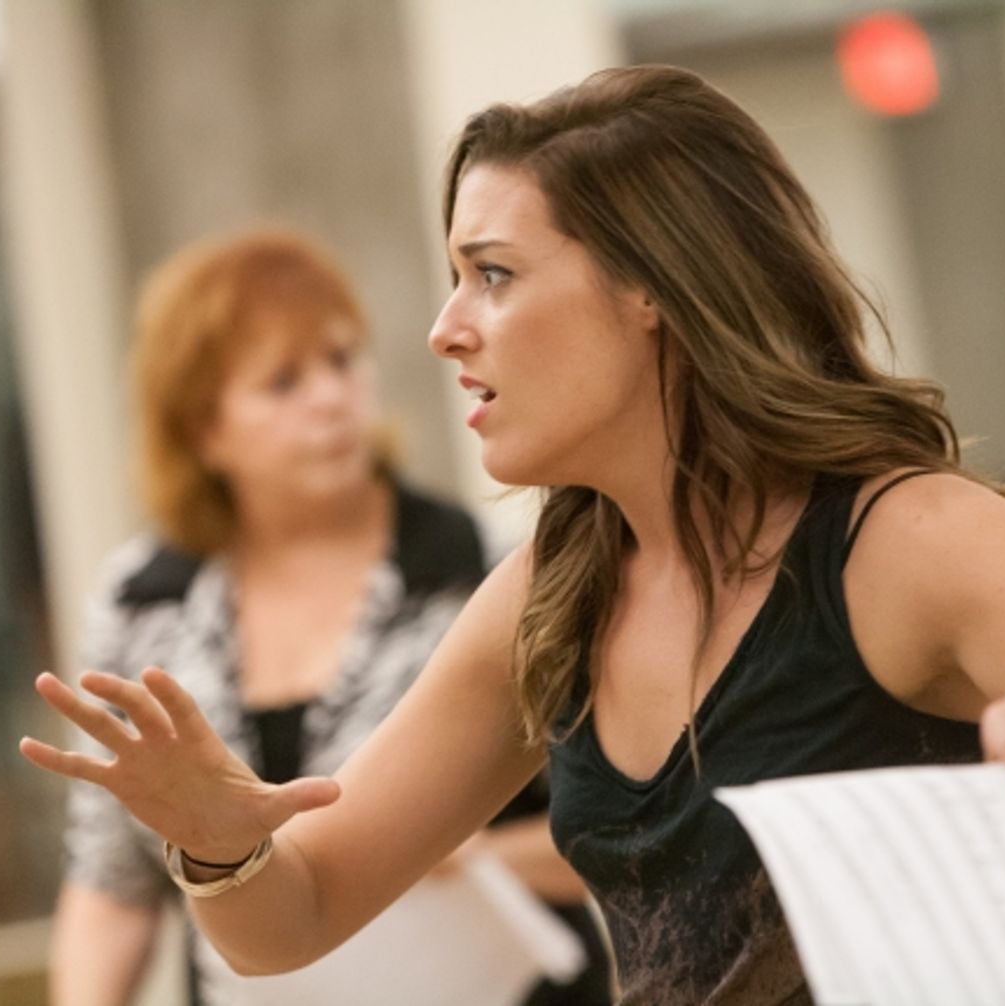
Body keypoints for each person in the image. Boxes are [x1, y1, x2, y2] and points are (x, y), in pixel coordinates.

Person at [22, 67, 1005, 1006]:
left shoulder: (907, 540)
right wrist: (216, 836)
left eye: (495, 274)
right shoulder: (550, 595)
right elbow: (291, 919)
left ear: (651, 295)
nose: (445, 328)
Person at [46, 228, 609, 1006]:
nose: (331, 398)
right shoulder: (142, 602)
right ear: (203, 429)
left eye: (342, 360)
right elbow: (112, 881)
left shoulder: (488, 567)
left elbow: (621, 824)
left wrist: (467, 854)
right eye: (283, 382)